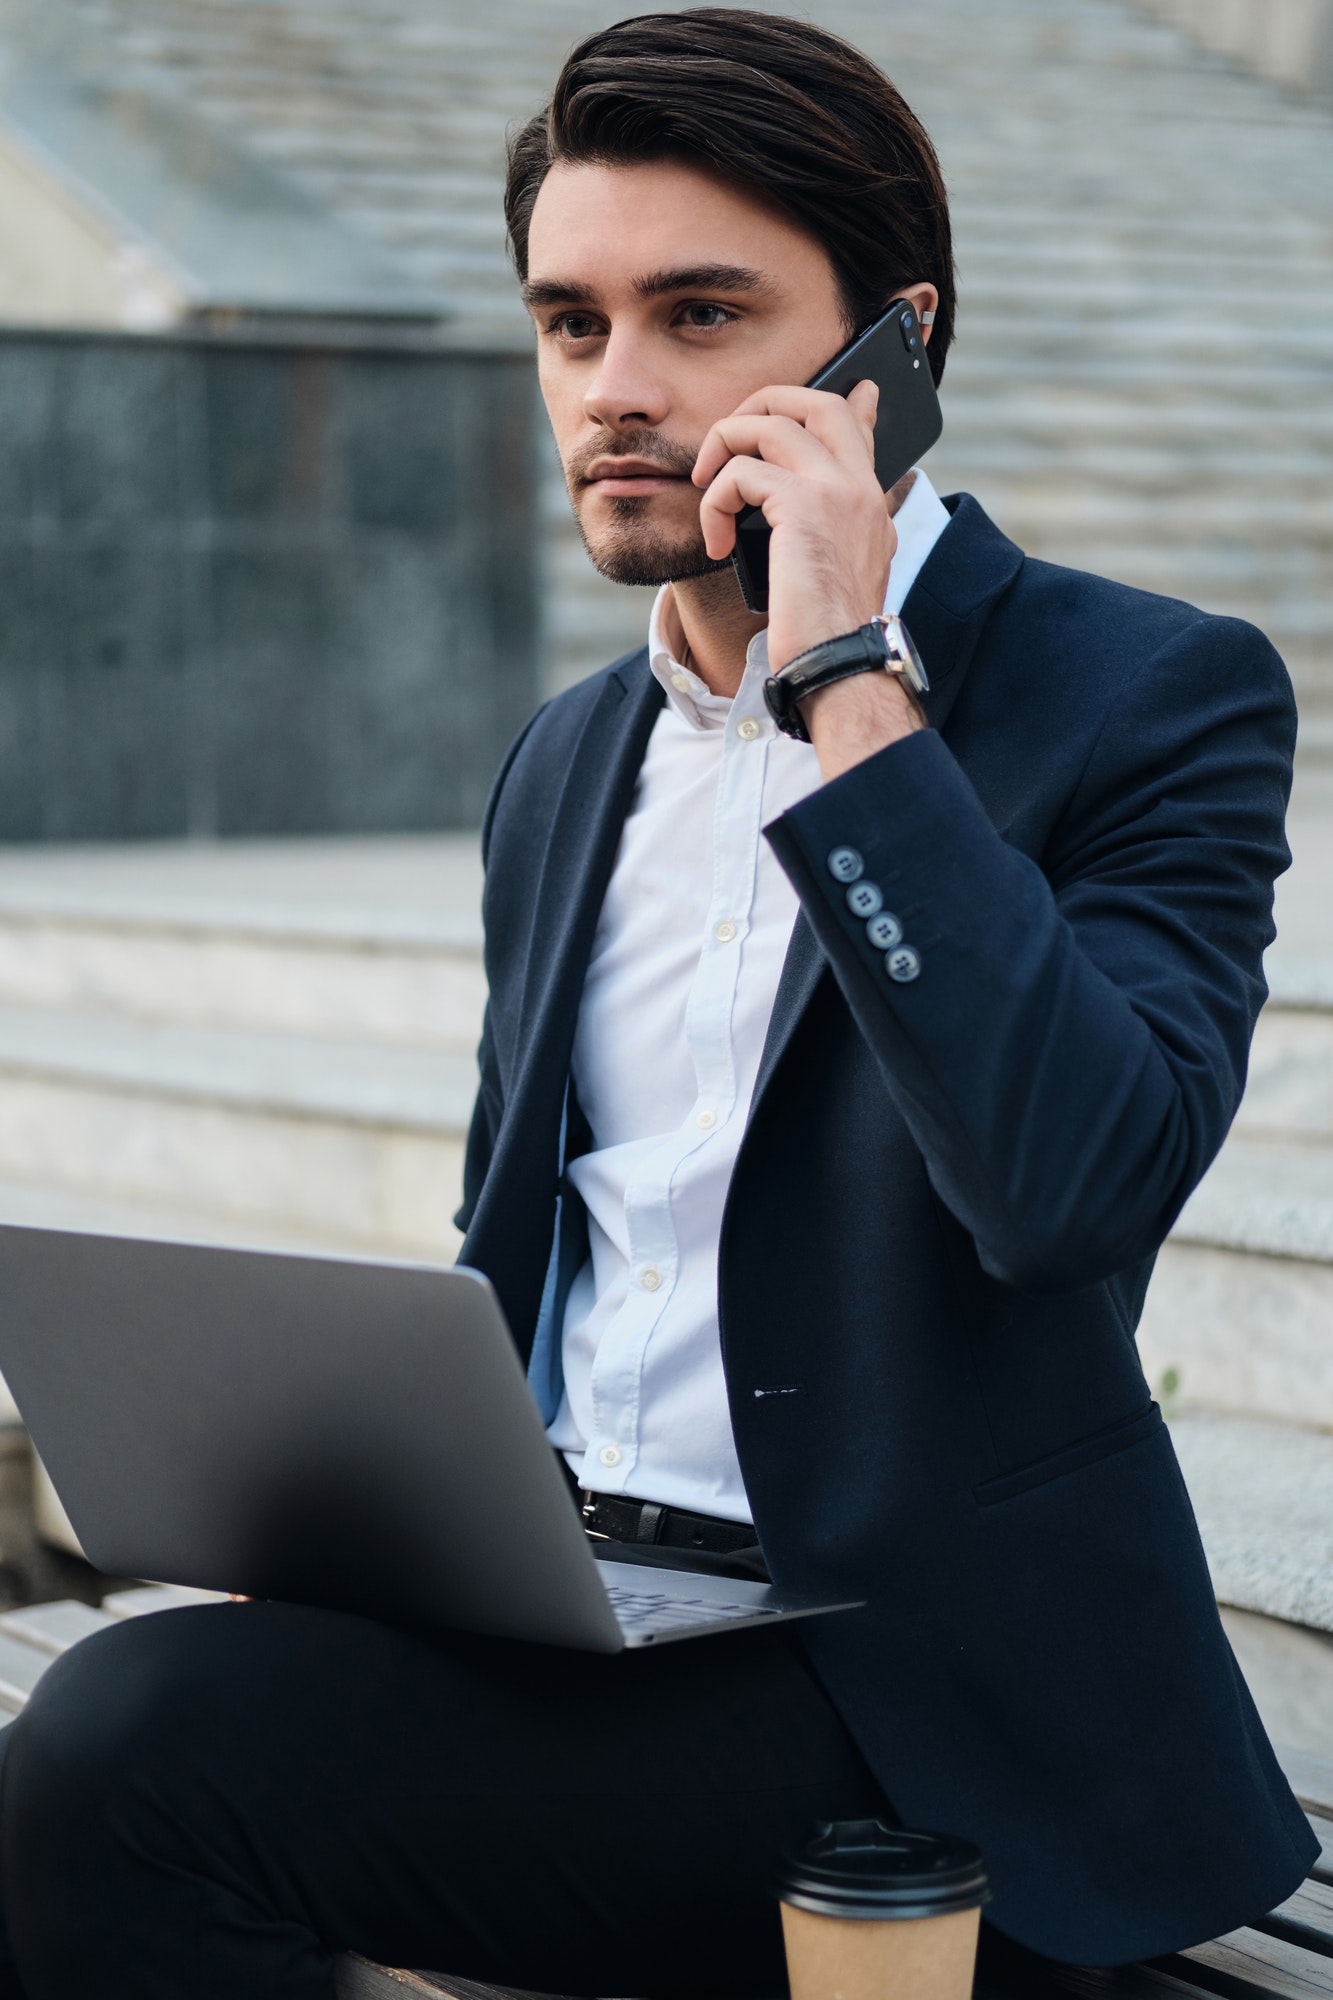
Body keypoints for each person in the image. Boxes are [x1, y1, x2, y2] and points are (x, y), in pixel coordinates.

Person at [0, 10, 1316, 1996]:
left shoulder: (1143, 696)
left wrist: (851, 689)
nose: (615, 390)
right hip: (582, 1609)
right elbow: (520, 1231)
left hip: (919, 1687)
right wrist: (363, 1518)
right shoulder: (563, 758)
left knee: (126, 1757)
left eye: (701, 314)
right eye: (569, 321)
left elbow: (1069, 1186)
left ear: (896, 351)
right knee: (111, 1727)